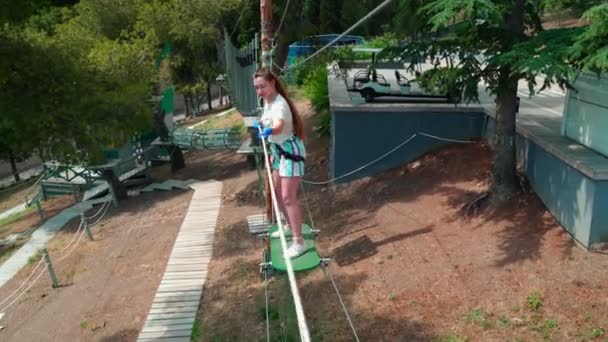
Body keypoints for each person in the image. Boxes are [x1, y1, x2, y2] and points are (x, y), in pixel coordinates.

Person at [253, 67, 307, 259]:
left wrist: (269, 131)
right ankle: (286, 225)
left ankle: (299, 241)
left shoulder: (280, 104)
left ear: (273, 83)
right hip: (278, 151)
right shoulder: (267, 101)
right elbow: (267, 120)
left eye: (263, 87)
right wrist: (260, 124)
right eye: (257, 88)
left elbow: (279, 126)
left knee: (287, 197)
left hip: (290, 151)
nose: (260, 92)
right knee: (276, 192)